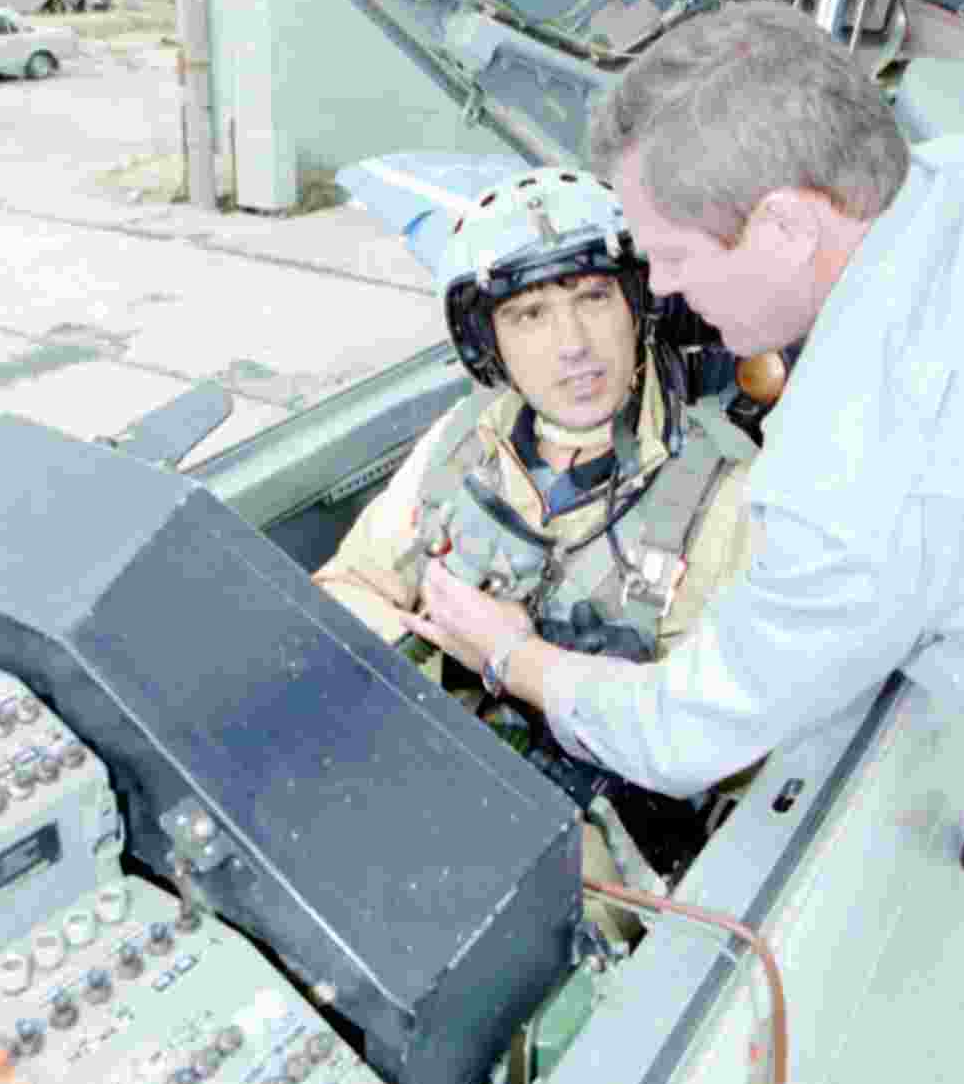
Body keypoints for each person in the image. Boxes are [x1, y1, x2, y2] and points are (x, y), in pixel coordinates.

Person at [402, 0, 964, 798]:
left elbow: (686, 732)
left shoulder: (851, 479)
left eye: (672, 254)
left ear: (787, 227)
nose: (660, 287)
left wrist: (514, 656)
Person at [312, 165, 759, 888]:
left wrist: (514, 658)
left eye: (592, 298)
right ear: (487, 341)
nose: (573, 343)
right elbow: (348, 587)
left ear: (636, 304)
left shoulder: (723, 495)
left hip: (606, 853)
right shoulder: (462, 442)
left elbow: (725, 747)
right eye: (530, 314)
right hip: (448, 767)